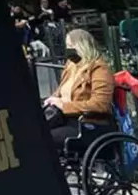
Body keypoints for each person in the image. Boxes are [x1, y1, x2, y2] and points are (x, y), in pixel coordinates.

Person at [46, 29, 114, 182]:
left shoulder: (99, 69)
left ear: (81, 46)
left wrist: (65, 106)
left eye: (70, 46)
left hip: (86, 124)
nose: (67, 50)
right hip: (64, 119)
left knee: (45, 138)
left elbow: (100, 104)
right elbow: (61, 89)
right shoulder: (71, 66)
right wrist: (53, 98)